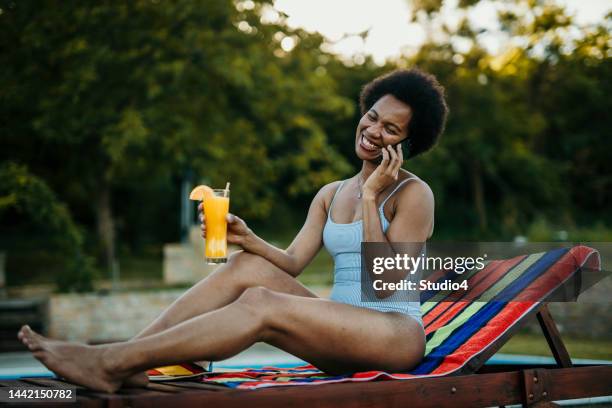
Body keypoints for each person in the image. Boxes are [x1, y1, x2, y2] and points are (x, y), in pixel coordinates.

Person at [18, 68, 448, 393]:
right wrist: (250, 239)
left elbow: (387, 281)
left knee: (260, 301)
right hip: (343, 335)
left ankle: (109, 361)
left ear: (407, 145)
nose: (372, 131)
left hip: (392, 335)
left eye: (390, 129)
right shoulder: (331, 192)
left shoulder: (414, 195)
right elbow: (294, 263)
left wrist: (373, 198)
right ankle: (129, 362)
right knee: (246, 268)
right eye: (372, 117)